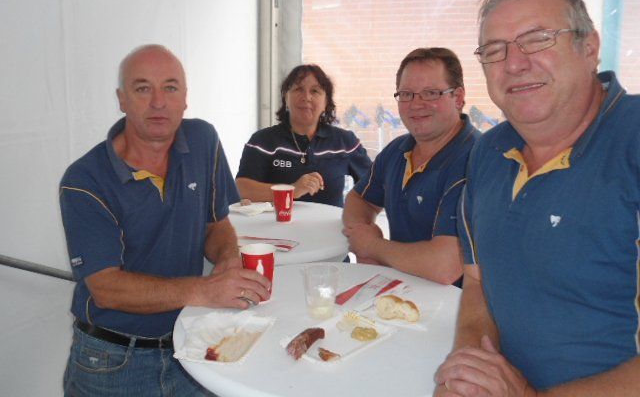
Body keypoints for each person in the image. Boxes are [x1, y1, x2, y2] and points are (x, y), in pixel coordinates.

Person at [435, 0, 640, 396]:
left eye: (538, 39)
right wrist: (469, 373)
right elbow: (477, 283)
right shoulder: (488, 152)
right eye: (495, 50)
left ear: (589, 47)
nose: (514, 63)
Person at [59, 45, 271, 396]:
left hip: (191, 345)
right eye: (143, 88)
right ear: (122, 99)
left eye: (170, 88)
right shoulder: (85, 179)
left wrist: (228, 257)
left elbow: (216, 225)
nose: (158, 102)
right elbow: (106, 288)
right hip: (113, 363)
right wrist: (206, 289)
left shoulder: (203, 141)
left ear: (185, 98)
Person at [342, 48, 480, 284]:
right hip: (402, 294)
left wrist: (373, 246)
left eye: (430, 93)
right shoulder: (398, 150)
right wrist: (363, 232)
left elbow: (444, 266)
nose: (416, 104)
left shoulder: (476, 160)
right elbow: (359, 199)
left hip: (457, 302)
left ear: (458, 98)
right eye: (406, 94)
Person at [236, 64, 372, 207]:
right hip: (276, 222)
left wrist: (354, 210)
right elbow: (241, 188)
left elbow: (374, 185)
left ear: (326, 102)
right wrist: (291, 190)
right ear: (286, 97)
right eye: (298, 89)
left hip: (330, 222)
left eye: (315, 91)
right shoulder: (262, 141)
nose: (306, 97)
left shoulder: (345, 142)